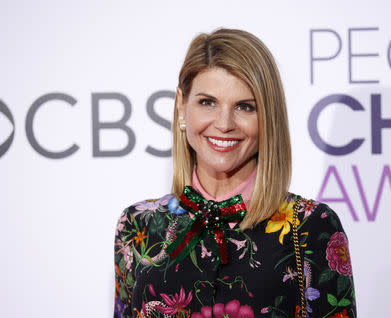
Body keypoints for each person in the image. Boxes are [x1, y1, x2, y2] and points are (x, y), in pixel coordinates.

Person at [114, 28, 356, 318]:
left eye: (245, 107)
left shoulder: (310, 226)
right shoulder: (137, 226)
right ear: (182, 105)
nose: (225, 123)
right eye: (208, 102)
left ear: (268, 117)